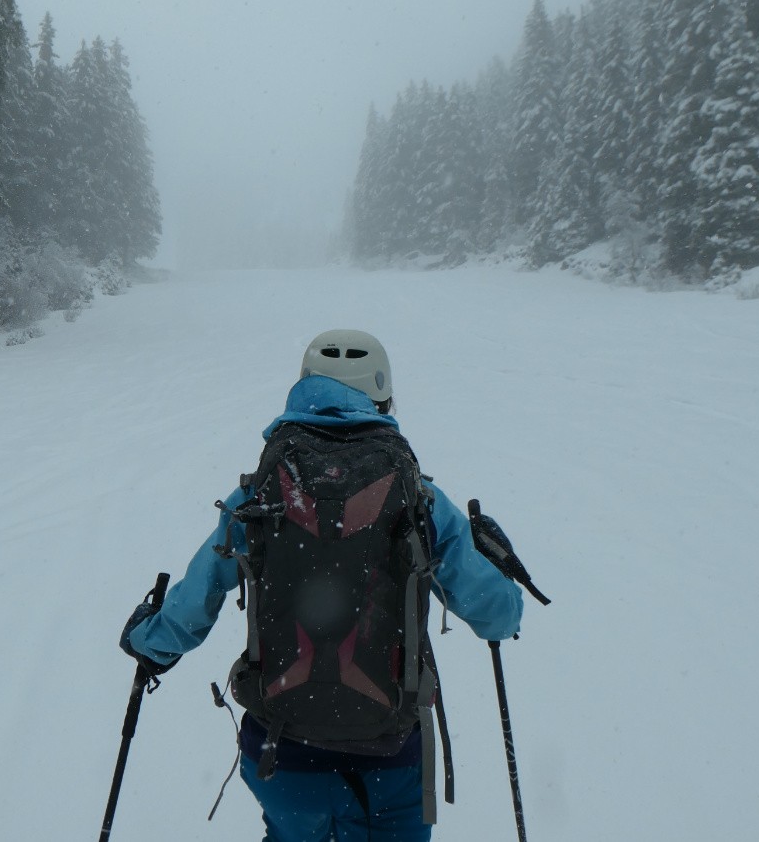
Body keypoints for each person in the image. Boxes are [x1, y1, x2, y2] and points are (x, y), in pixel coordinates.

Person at [120, 328, 525, 842]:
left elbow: (195, 601)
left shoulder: (257, 492)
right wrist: (503, 574)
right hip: (390, 755)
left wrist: (147, 642)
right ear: (382, 399)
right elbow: (497, 616)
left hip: (281, 752)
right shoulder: (421, 498)